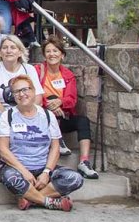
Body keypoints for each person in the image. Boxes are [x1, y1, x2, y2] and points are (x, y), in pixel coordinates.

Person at [0, 75, 83, 211]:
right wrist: (24, 171)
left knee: (75, 178)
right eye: (17, 91)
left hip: (42, 167)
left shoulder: (48, 116)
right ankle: (48, 202)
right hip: (17, 168)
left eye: (25, 89)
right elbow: (2, 149)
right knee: (11, 178)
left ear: (33, 91)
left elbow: (55, 147)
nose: (21, 94)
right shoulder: (7, 116)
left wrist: (47, 172)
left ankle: (30, 198)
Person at [36, 35, 99, 179]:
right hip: (43, 117)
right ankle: (58, 141)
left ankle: (84, 162)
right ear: (44, 55)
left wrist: (60, 102)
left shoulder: (67, 75)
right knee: (51, 105)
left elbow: (72, 100)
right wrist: (50, 105)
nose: (52, 54)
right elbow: (34, 94)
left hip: (63, 115)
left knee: (83, 121)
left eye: (55, 51)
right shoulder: (37, 71)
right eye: (48, 51)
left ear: (62, 55)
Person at [0, 35, 44, 182]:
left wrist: (27, 114)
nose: (8, 51)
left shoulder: (28, 69)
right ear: (0, 52)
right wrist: (10, 117)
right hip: (2, 109)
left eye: (13, 47)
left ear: (20, 52)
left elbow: (38, 97)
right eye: (4, 48)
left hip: (26, 109)